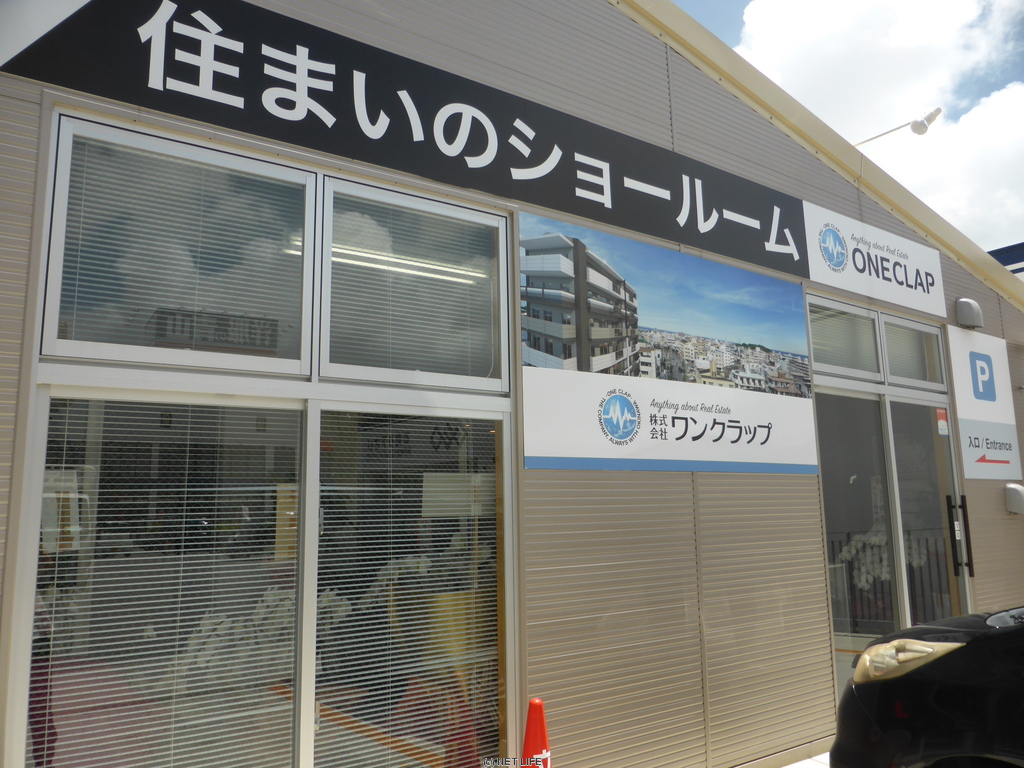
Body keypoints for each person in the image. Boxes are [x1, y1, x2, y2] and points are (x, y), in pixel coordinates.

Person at [29, 581, 57, 767]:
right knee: (41, 717)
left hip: (35, 649)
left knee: (41, 717)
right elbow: (47, 627)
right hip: (35, 650)